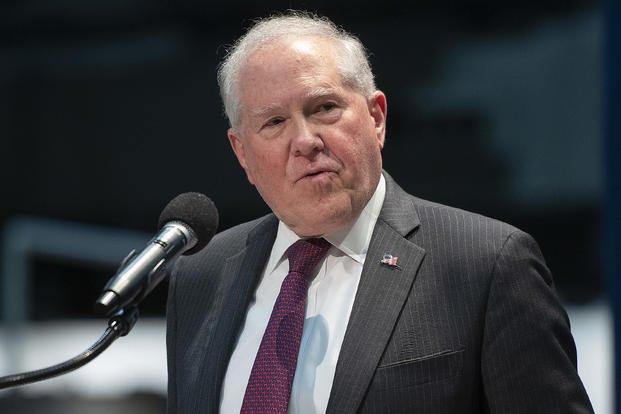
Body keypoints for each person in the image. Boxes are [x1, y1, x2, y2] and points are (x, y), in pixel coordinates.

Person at [166, 12, 594, 413]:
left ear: (376, 118)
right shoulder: (201, 275)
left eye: (324, 108)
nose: (305, 140)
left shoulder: (487, 265)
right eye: (274, 122)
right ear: (242, 152)